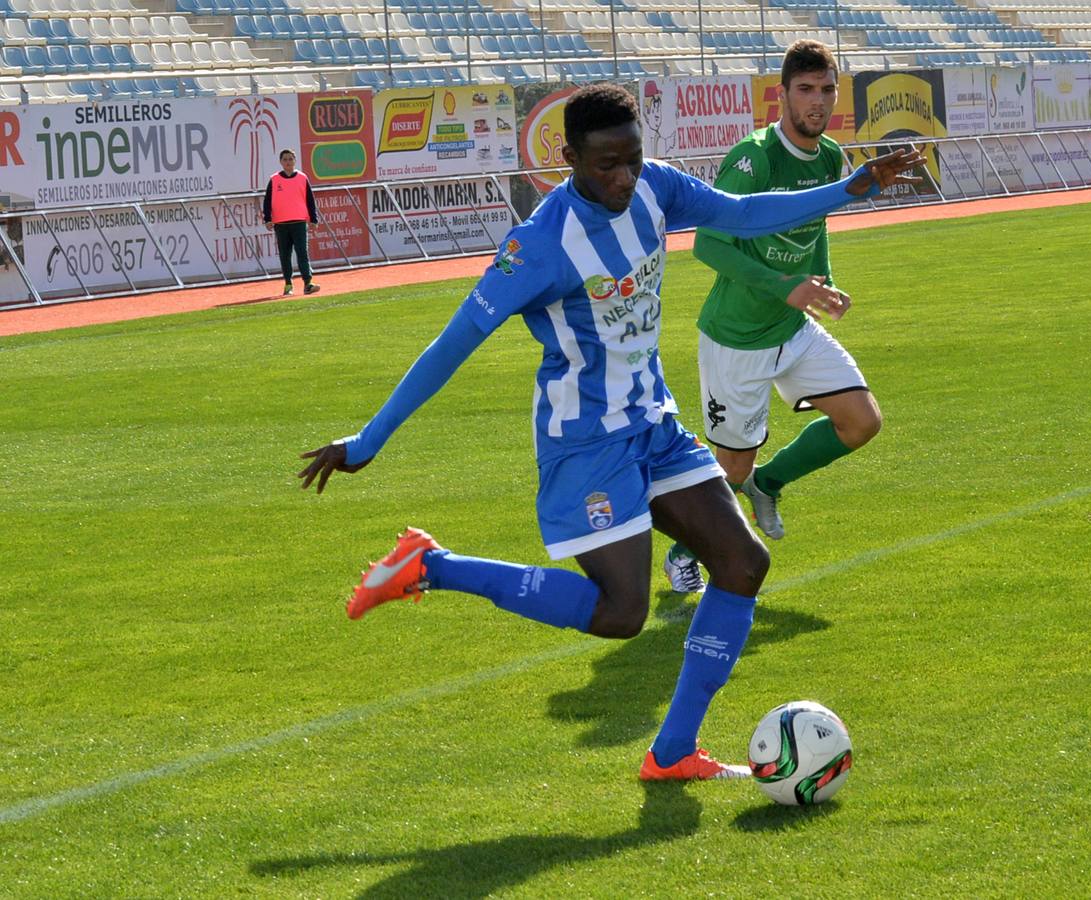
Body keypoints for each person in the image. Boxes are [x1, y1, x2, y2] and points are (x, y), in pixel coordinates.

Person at [297, 83, 922, 780]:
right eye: (605, 165)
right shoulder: (538, 246)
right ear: (566, 158)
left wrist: (851, 188)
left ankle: (672, 751)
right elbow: (454, 341)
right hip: (585, 440)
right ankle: (430, 567)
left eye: (631, 158)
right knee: (622, 613)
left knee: (743, 564)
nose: (623, 178)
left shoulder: (654, 187)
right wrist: (370, 439)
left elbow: (741, 214)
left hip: (653, 421)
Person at [663, 41, 890, 594]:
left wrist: (823, 285)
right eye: (806, 90)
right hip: (737, 338)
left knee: (862, 421)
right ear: (782, 95)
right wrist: (785, 286)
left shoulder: (833, 156)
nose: (817, 102)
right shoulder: (754, 157)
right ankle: (682, 555)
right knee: (731, 465)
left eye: (827, 89)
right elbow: (709, 245)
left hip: (792, 328)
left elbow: (815, 229)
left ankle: (770, 483)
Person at [262, 148, 321, 296]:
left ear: (295, 160)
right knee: (285, 254)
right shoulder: (274, 179)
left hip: (299, 222)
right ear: (281, 162)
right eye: (285, 159)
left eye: (290, 159)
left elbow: (310, 200)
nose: (288, 162)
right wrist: (268, 219)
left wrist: (313, 219)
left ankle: (308, 283)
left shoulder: (302, 178)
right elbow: (267, 201)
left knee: (302, 253)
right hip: (281, 223)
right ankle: (288, 284)